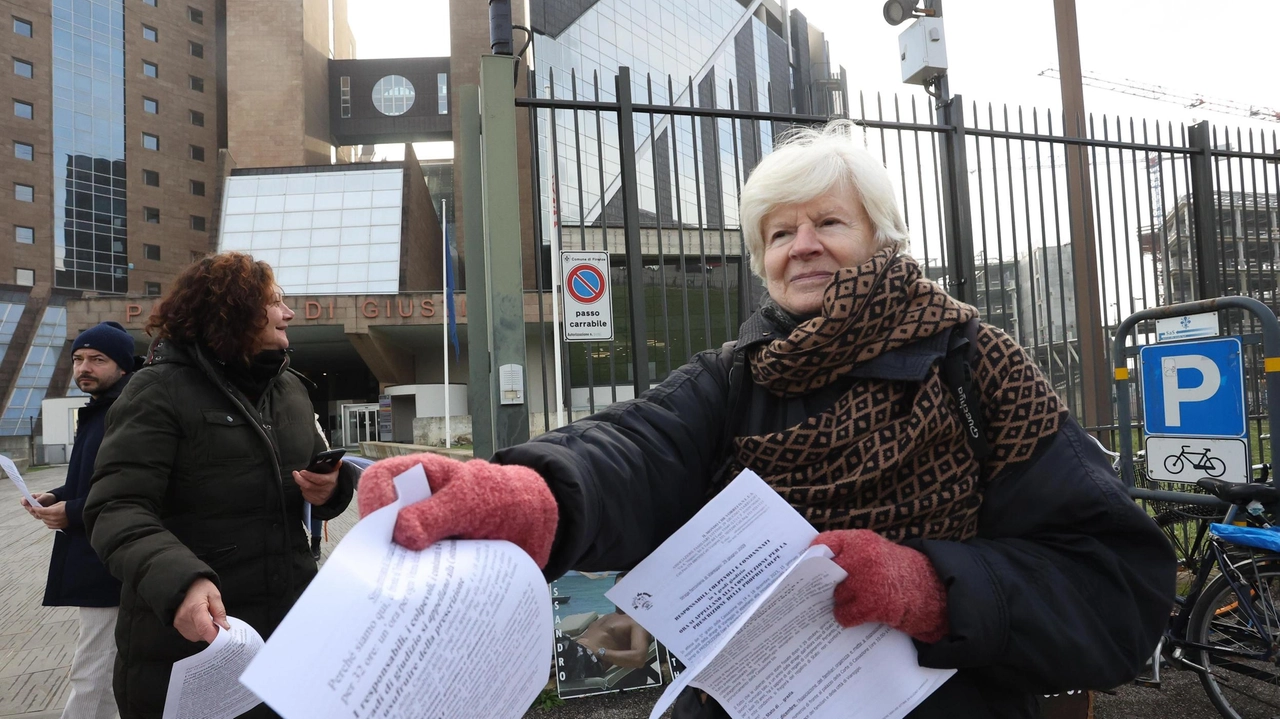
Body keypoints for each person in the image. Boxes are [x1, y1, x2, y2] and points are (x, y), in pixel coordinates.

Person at [356, 121, 1175, 718]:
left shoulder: (975, 363)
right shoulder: (734, 378)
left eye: (828, 222)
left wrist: (930, 587)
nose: (802, 246)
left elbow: (1117, 587)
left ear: (883, 239)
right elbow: (634, 450)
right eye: (779, 232)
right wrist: (527, 495)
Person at [84, 253, 358, 719]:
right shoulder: (157, 389)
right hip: (194, 636)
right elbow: (116, 507)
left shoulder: (290, 387)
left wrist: (331, 487)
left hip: (289, 632)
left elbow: (322, 475)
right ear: (233, 310)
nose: (288, 313)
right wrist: (181, 581)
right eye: (274, 302)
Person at [22, 321, 137, 719]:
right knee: (102, 667)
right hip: (98, 552)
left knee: (91, 668)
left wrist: (70, 511)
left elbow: (130, 487)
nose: (84, 367)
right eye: (78, 359)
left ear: (122, 366)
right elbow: (90, 479)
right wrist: (57, 495)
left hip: (112, 557)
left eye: (97, 359)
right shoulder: (100, 409)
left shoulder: (125, 412)